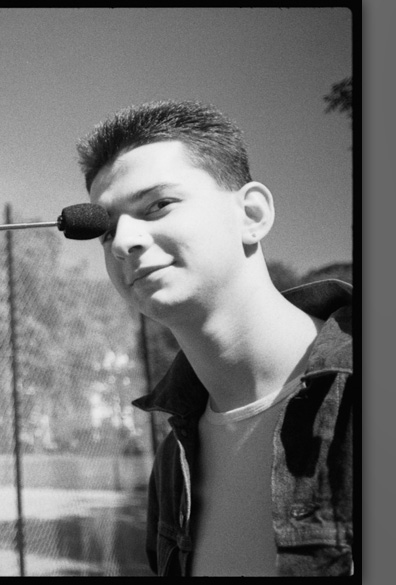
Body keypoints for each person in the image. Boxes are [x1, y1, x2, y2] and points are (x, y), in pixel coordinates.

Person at [76, 100, 353, 576]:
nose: (122, 241)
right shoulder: (173, 460)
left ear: (251, 213)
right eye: (106, 231)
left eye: (158, 204)